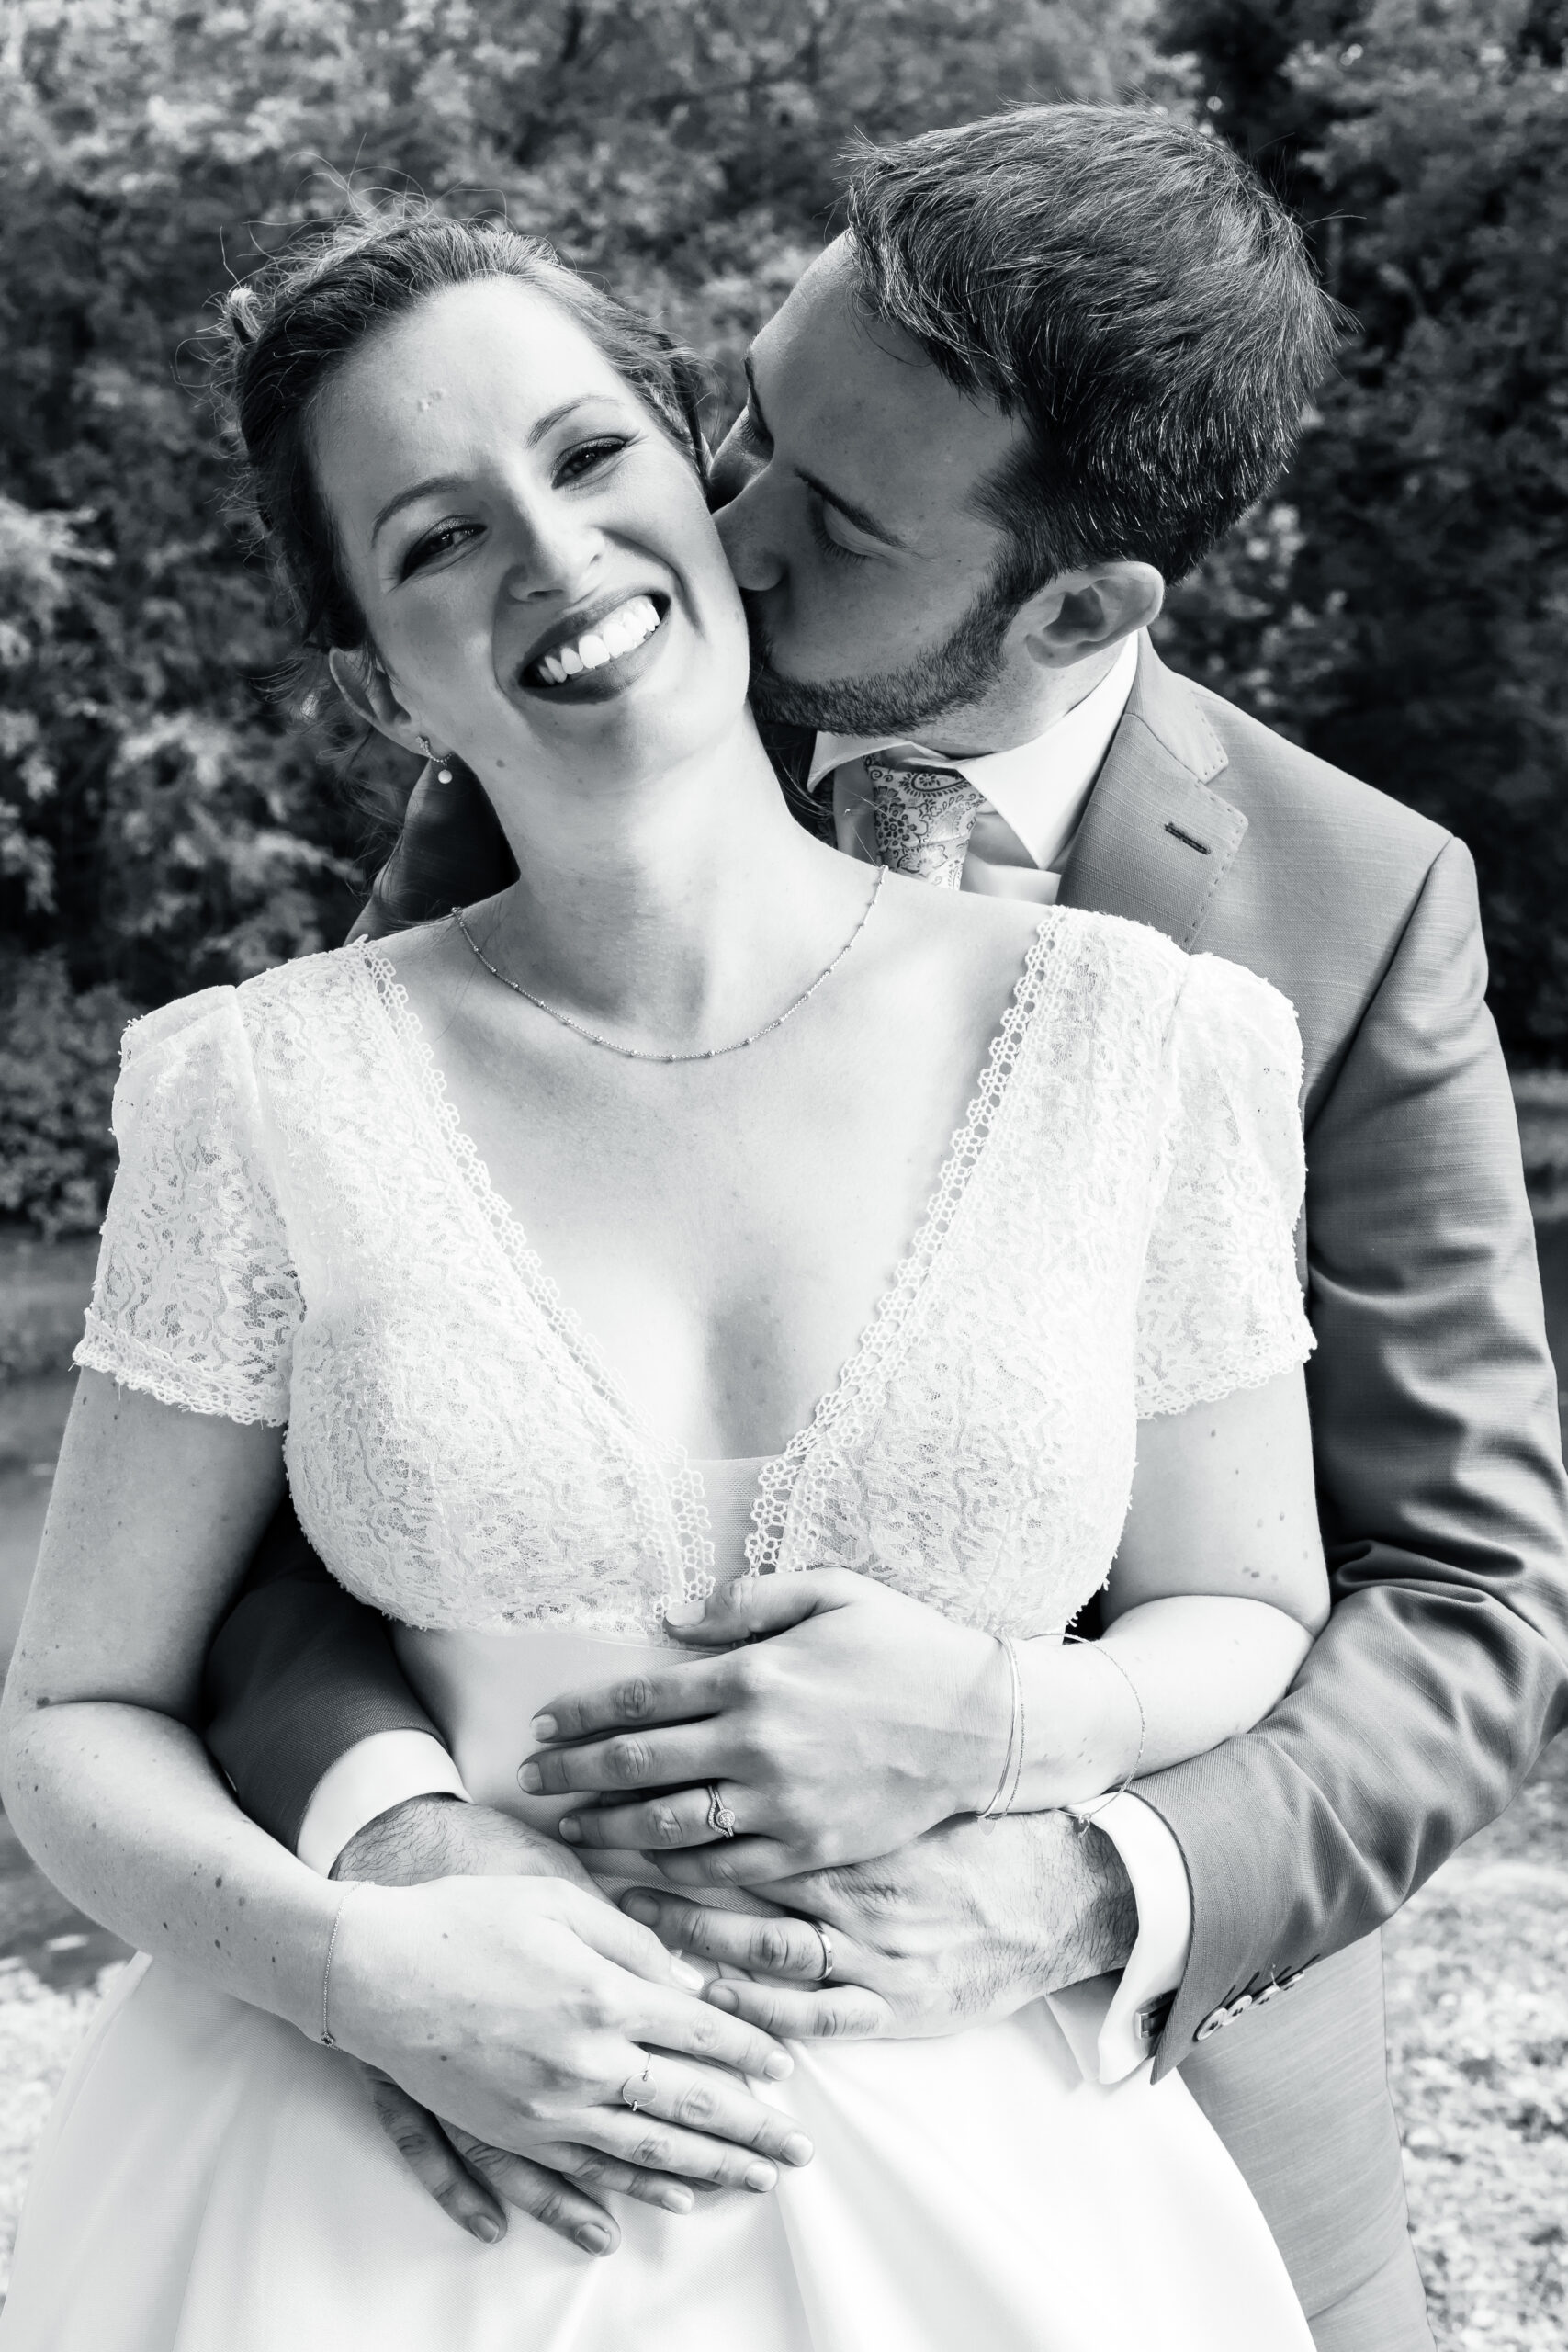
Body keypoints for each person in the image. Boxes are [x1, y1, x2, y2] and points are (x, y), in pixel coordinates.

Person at [200, 107, 1568, 2352]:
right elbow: (293, 1459)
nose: (722, 533)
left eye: (835, 519)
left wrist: (1068, 1861)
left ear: (1077, 607)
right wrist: (395, 1837)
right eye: (741, 419)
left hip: (1159, 2108)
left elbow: (1468, 1599)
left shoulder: (1347, 908)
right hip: (552, 2134)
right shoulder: (550, 758)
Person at [0, 201, 1340, 2349]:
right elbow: (77, 1717)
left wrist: (1019, 1726)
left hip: (989, 2194)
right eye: (438, 536)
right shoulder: (262, 1089)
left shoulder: (1139, 1042)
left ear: (699, 484)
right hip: (362, 2196)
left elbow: (1248, 1605)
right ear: (378, 678)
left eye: (588, 453)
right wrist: (352, 1963)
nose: (548, 552)